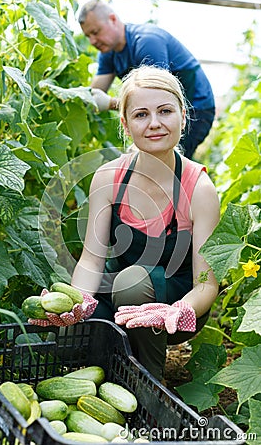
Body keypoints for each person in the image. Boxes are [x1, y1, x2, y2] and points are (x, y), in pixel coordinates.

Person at [70, 65, 220, 381]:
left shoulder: (198, 189)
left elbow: (206, 283)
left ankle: (148, 385)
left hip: (176, 305)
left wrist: (178, 311)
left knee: (133, 281)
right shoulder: (108, 178)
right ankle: (106, 371)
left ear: (183, 115)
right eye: (141, 115)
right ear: (125, 124)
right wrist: (76, 303)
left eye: (165, 111)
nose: (154, 123)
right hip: (123, 299)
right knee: (81, 316)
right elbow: (92, 260)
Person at [78, 0, 215, 160]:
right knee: (153, 166)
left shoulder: (147, 42)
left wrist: (110, 103)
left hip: (195, 109)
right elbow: (96, 92)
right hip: (162, 112)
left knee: (168, 165)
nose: (93, 41)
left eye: (96, 32)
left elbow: (155, 98)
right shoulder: (108, 52)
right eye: (88, 36)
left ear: (113, 19)